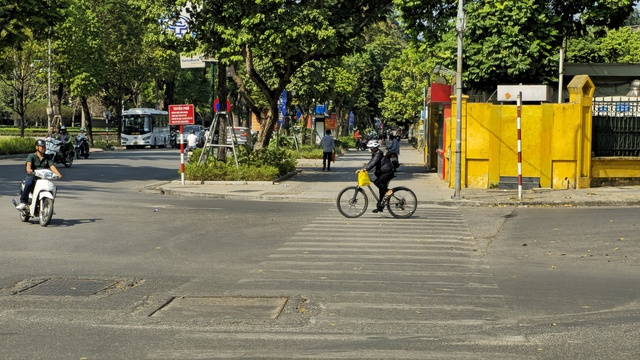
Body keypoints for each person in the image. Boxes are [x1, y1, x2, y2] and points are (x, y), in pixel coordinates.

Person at [16, 139, 63, 210]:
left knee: (53, 188)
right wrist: (29, 170)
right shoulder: (31, 156)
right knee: (28, 183)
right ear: (37, 147)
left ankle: (49, 205)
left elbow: (52, 166)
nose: (43, 148)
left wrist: (58, 174)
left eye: (44, 147)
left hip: (43, 178)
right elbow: (28, 164)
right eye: (41, 147)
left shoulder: (47, 157)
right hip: (32, 176)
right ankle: (23, 202)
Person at [361, 140, 395, 213]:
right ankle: (380, 207)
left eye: (370, 148)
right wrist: (362, 169)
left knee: (377, 182)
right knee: (381, 191)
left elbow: (373, 163)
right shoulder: (375, 154)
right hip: (383, 173)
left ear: (373, 148)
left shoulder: (378, 154)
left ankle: (388, 191)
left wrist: (366, 169)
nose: (369, 149)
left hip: (387, 173)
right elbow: (370, 162)